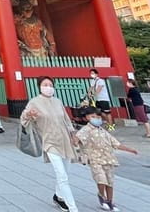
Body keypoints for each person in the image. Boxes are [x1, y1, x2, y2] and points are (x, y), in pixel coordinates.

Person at [21, 76, 80, 212]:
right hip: (49, 141)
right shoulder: (34, 102)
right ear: (40, 87)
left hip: (64, 139)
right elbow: (24, 119)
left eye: (50, 84)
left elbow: (66, 119)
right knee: (62, 175)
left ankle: (58, 197)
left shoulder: (58, 102)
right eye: (45, 84)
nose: (48, 87)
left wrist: (73, 134)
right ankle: (73, 207)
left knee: (65, 171)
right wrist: (29, 114)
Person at [76, 107, 138, 211]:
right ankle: (101, 195)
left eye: (98, 116)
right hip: (95, 159)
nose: (96, 118)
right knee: (101, 179)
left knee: (109, 181)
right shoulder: (85, 130)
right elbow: (77, 139)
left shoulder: (103, 131)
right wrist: (73, 140)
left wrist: (129, 149)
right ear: (87, 118)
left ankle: (110, 201)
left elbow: (115, 143)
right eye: (93, 117)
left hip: (108, 159)